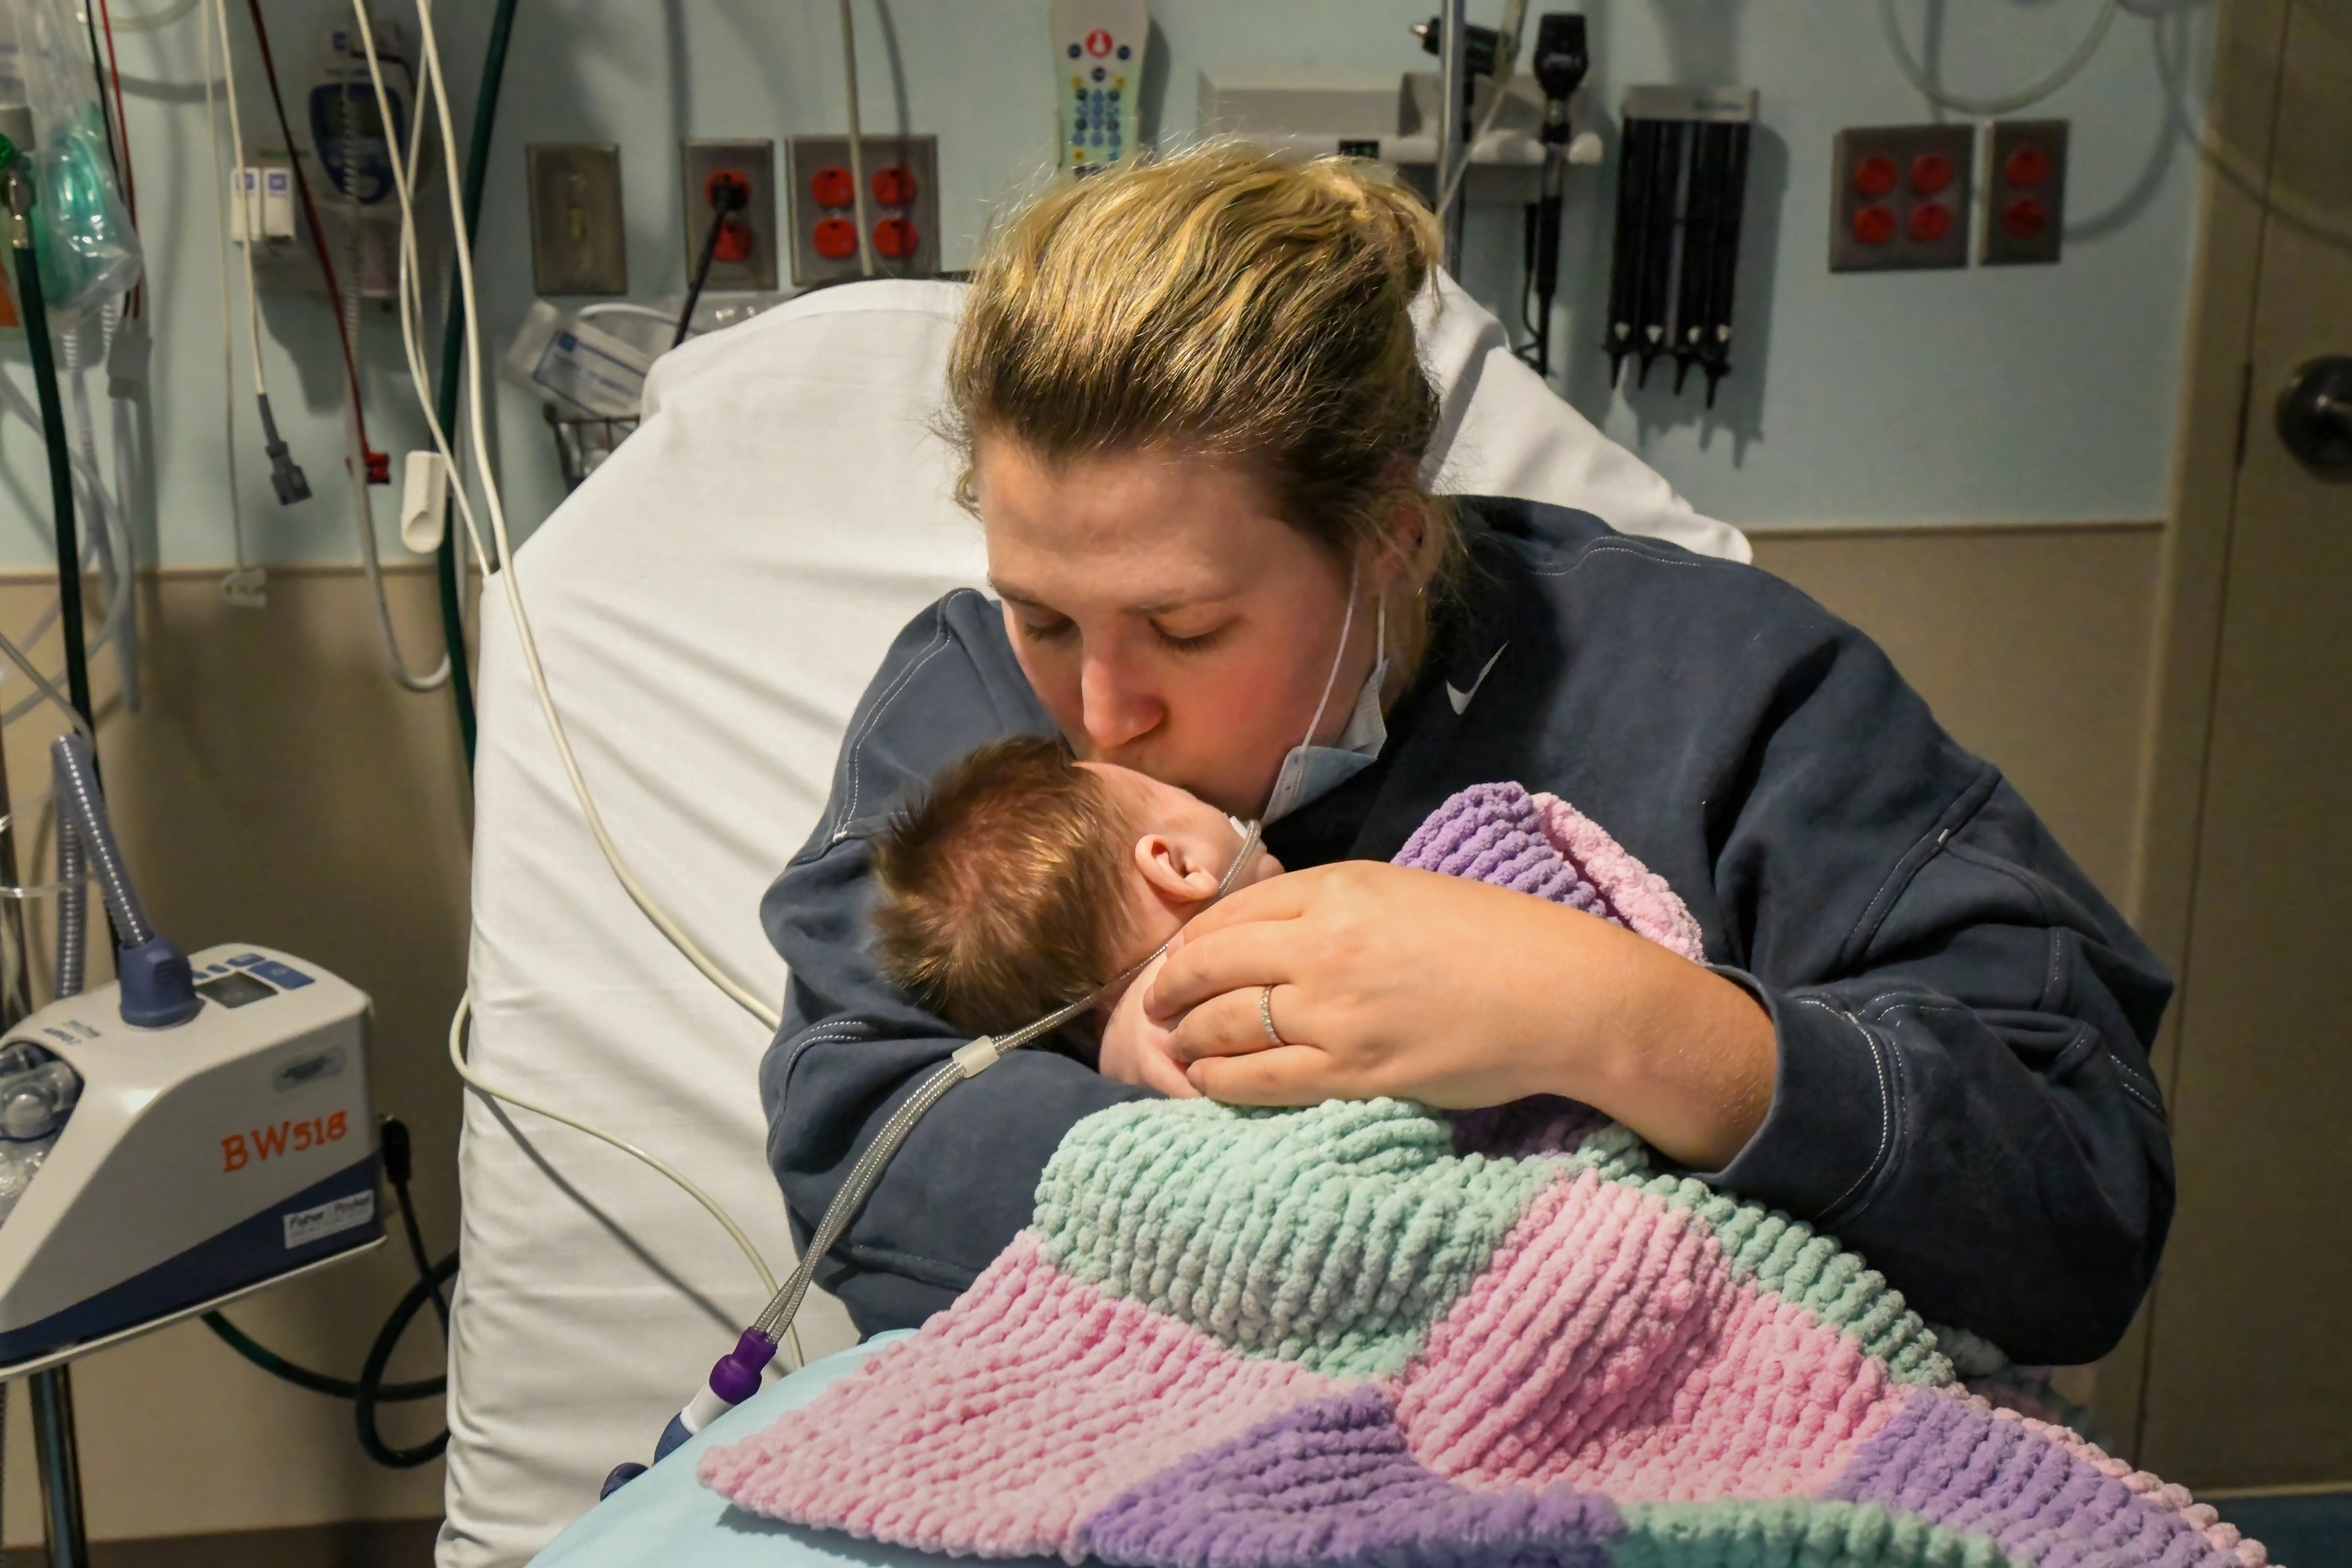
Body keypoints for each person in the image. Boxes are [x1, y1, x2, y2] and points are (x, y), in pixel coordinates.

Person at [759, 144, 2173, 1363]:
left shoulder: (1727, 696)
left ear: (1388, 534)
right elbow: (858, 1115)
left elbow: (2080, 1192)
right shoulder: (967, 709)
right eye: (1046, 614)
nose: (1102, 708)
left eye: (1187, 629)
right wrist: (1174, 1152)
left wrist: (1632, 1025)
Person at [866, 733, 1278, 1087]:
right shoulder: (1270, 949)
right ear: (1177, 867)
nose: (1229, 814)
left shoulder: (1115, 1074)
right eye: (1190, 797)